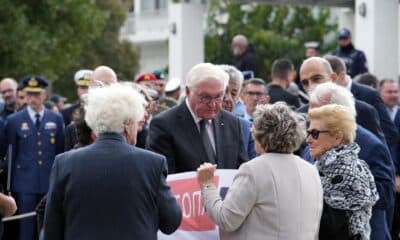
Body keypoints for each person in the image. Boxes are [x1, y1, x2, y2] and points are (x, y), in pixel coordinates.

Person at [42, 83, 181, 240]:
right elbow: (171, 222)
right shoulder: (153, 163)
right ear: (128, 124)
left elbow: (51, 229)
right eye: (137, 122)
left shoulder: (64, 163)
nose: (138, 129)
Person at [197, 102, 323, 240]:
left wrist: (207, 185)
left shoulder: (253, 170)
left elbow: (226, 220)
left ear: (259, 135)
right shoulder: (311, 170)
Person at [303, 82, 395, 240]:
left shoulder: (370, 145)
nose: (309, 112)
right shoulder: (311, 145)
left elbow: (386, 195)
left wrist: (348, 190)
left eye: (315, 108)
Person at [147, 63, 248, 173]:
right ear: (188, 91)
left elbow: (241, 171)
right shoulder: (164, 125)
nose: (213, 104)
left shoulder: (231, 122)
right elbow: (162, 177)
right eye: (205, 98)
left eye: (219, 96)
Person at [307, 104, 379, 240]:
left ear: (337, 137)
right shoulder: (322, 167)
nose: (308, 139)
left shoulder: (349, 171)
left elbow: (332, 229)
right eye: (308, 133)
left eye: (315, 133)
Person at [6, 76, 65, 240]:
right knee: (25, 226)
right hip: (24, 182)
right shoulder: (14, 120)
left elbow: (60, 153)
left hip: (49, 181)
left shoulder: (56, 119)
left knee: (48, 226)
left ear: (45, 95)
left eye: (37, 94)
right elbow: (11, 155)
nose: (33, 98)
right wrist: (9, 185)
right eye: (30, 94)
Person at [298, 57, 386, 144]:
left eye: (316, 79)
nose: (311, 86)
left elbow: (377, 151)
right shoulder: (300, 117)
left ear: (333, 78)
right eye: (305, 83)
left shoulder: (364, 111)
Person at [324, 55, 398, 147]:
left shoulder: (369, 95)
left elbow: (389, 133)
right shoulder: (320, 98)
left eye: (323, 79)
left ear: (341, 76)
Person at [219, 65, 256, 159]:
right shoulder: (200, 124)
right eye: (223, 92)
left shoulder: (246, 128)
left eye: (234, 94)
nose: (228, 99)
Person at [379, 78, 400, 240]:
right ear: (380, 93)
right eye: (389, 91)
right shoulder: (375, 114)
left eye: (396, 91)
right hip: (383, 176)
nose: (394, 95)